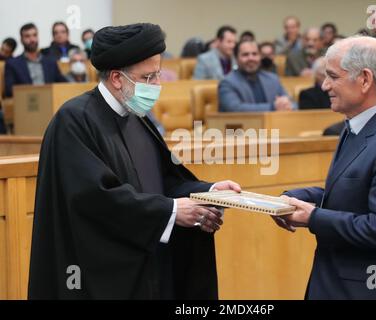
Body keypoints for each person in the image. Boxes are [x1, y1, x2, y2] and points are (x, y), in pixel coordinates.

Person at [28, 22, 241, 300]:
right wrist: (171, 211)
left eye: (158, 76)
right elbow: (95, 200)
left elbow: (164, 180)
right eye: (149, 78)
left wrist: (208, 193)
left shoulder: (137, 118)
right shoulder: (74, 120)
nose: (157, 86)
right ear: (117, 78)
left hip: (150, 268)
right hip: (100, 276)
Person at [273, 35, 376, 299]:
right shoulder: (356, 126)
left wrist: (312, 218)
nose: (324, 86)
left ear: (365, 80)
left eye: (333, 76)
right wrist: (297, 198)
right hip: (336, 282)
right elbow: (351, 197)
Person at [219, 40, 294, 112]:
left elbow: (293, 104)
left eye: (255, 54)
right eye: (245, 55)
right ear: (236, 58)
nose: (251, 58)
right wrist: (273, 107)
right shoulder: (227, 83)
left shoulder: (272, 79)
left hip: (274, 124)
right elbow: (236, 109)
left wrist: (287, 105)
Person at [4, 23, 67, 97]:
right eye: (27, 36)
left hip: (50, 102)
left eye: (35, 35)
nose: (32, 39)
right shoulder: (12, 64)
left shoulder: (51, 62)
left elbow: (63, 85)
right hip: (27, 103)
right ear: (21, 39)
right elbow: (9, 91)